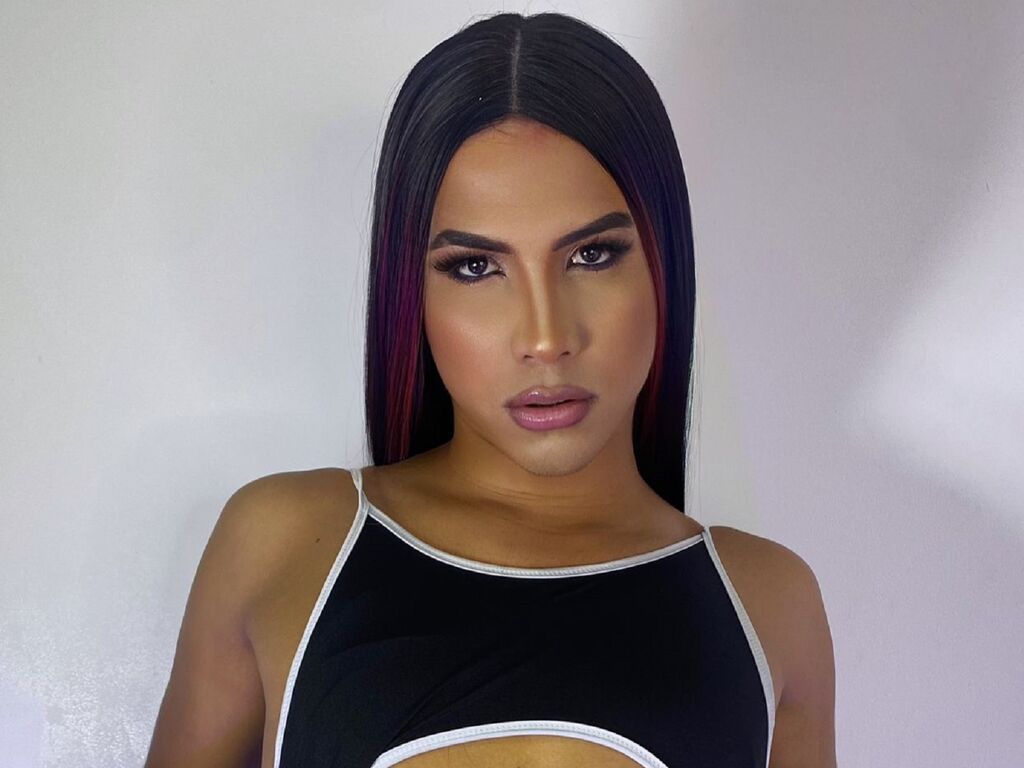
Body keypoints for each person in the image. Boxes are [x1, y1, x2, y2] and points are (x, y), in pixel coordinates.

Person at [145, 11, 836, 768]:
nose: (545, 336)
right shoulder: (283, 547)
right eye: (476, 267)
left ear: (664, 262)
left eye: (593, 255)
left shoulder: (769, 607)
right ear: (411, 290)